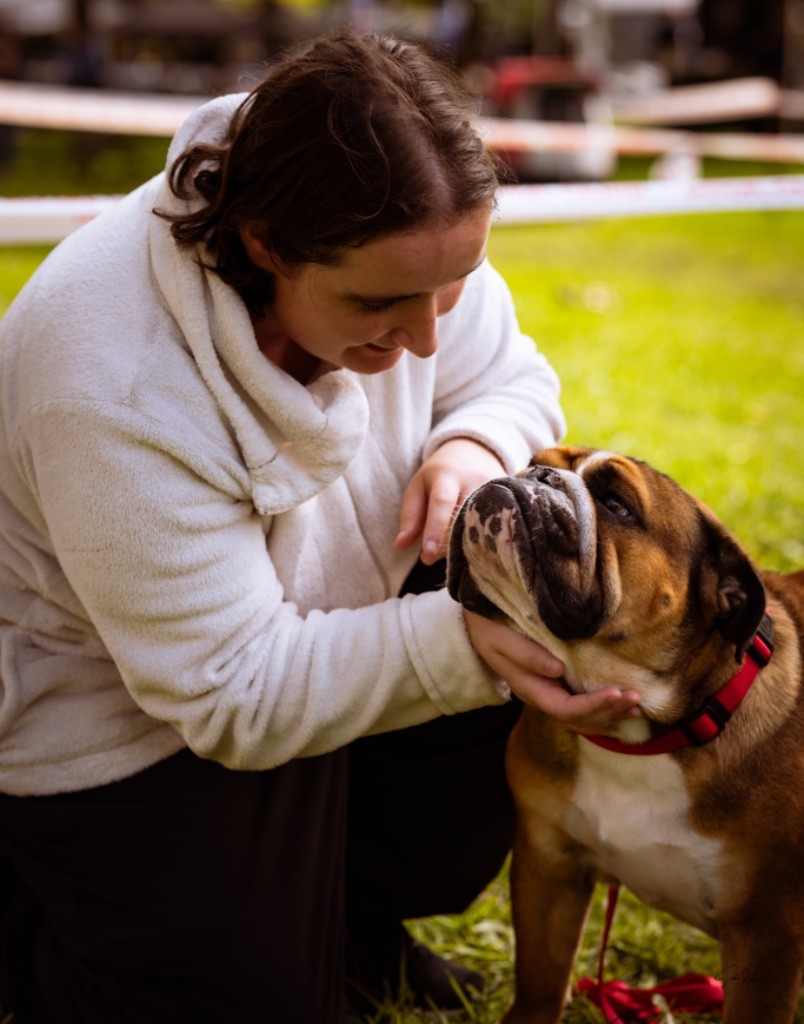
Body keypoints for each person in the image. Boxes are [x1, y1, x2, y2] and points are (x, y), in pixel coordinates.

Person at [0, 29, 641, 1024]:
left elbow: (507, 376)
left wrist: (475, 444)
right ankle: (42, 930)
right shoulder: (109, 377)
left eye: (454, 285)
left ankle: (351, 917)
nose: (428, 333)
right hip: (128, 713)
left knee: (537, 583)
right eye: (383, 302)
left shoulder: (411, 236)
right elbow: (231, 692)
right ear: (265, 243)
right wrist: (464, 636)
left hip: (322, 627)